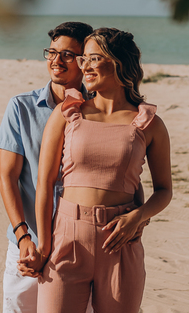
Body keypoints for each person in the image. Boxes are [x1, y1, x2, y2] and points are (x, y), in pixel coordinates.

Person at [25, 27, 173, 313]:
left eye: (94, 58)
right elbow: (44, 182)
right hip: (66, 239)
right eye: (84, 59)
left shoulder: (150, 124)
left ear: (119, 63)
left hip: (120, 241)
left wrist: (138, 216)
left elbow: (164, 190)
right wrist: (43, 246)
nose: (85, 67)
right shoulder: (67, 113)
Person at [0, 21, 93, 313]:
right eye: (52, 52)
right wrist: (23, 237)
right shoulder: (21, 107)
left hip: (79, 248)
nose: (56, 60)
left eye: (67, 55)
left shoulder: (98, 110)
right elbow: (8, 177)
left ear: (84, 61)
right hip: (29, 245)